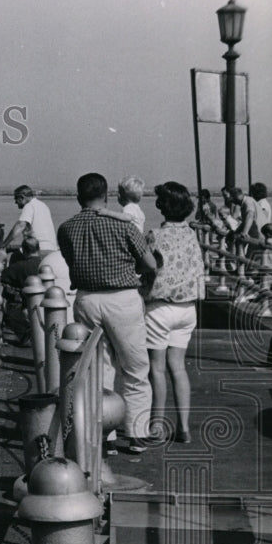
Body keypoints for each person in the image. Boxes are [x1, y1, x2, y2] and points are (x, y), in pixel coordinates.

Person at [58, 173, 157, 453]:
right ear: (107, 196)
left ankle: (104, 435)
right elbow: (149, 263)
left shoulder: (66, 228)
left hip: (87, 300)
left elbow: (71, 261)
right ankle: (137, 434)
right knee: (136, 368)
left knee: (98, 368)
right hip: (123, 299)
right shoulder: (122, 225)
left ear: (78, 197)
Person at [144, 182, 205, 445]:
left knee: (156, 369)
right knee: (178, 368)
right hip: (188, 310)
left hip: (160, 308)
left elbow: (146, 269)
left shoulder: (154, 235)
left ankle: (156, 425)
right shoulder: (192, 235)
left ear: (162, 206)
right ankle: (183, 428)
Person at [1, 185, 57, 260]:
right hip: (52, 249)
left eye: (16, 198)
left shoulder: (29, 206)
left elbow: (20, 226)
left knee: (13, 258)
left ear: (22, 197)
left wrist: (4, 244)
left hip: (39, 250)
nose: (15, 202)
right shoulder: (42, 205)